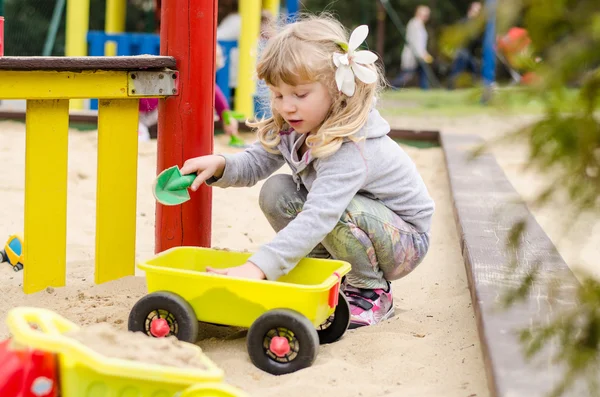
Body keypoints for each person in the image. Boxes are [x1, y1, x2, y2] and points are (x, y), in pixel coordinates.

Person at [179, 16, 434, 328]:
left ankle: (371, 290)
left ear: (337, 91)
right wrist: (221, 165)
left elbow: (320, 215)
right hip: (357, 223)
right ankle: (331, 275)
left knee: (333, 209)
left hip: (402, 241)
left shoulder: (351, 146)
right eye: (278, 94)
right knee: (277, 191)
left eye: (299, 95)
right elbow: (257, 162)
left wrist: (258, 267)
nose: (287, 106)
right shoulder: (294, 126)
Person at [391, 5, 432, 90]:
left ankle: (425, 90)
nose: (426, 17)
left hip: (418, 55)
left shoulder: (419, 25)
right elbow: (415, 41)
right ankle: (393, 86)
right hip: (412, 55)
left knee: (423, 73)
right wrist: (423, 54)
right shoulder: (415, 24)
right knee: (406, 75)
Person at [447, 2, 483, 89]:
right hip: (462, 51)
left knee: (474, 70)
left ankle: (472, 89)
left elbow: (477, 39)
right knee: (458, 71)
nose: (478, 13)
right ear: (471, 10)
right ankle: (450, 88)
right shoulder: (463, 22)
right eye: (477, 10)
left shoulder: (475, 24)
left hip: (470, 52)